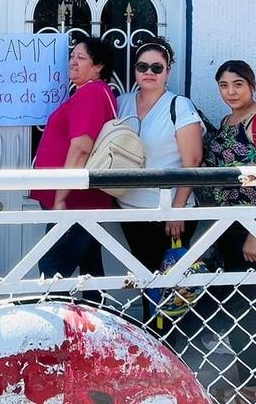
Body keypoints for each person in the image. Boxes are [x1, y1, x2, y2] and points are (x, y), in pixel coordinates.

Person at [196, 60, 256, 398]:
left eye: (238, 84)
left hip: (252, 226)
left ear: (252, 84)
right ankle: (246, 379)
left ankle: (251, 385)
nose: (230, 91)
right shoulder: (227, 120)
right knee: (233, 303)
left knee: (244, 306)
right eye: (223, 85)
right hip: (225, 226)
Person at [113, 38, 203, 321]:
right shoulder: (121, 102)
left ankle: (165, 341)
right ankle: (152, 333)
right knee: (145, 276)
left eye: (157, 67)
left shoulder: (179, 106)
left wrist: (176, 209)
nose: (149, 72)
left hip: (169, 212)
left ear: (167, 71)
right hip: (129, 210)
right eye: (142, 66)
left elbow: (193, 161)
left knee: (168, 282)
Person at [30, 34, 118, 287]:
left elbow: (81, 147)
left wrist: (60, 197)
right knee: (89, 271)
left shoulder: (90, 94)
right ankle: (95, 322)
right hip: (82, 199)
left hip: (73, 200)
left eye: (81, 58)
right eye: (72, 56)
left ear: (98, 66)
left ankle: (56, 324)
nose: (73, 62)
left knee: (52, 268)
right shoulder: (93, 93)